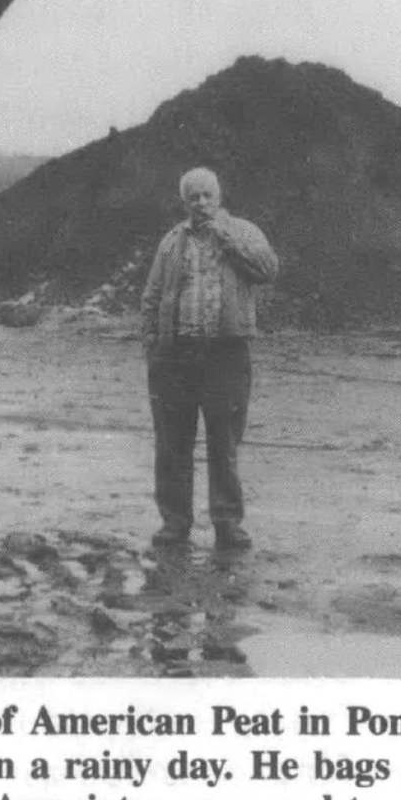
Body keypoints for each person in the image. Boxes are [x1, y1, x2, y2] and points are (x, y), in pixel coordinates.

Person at [139, 167, 278, 551]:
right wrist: (153, 345)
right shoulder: (171, 241)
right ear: (183, 202)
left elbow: (268, 270)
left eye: (207, 195)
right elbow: (151, 297)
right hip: (174, 357)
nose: (201, 203)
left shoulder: (244, 231)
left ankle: (227, 525)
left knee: (224, 444)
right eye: (193, 197)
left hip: (226, 355)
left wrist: (227, 239)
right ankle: (174, 524)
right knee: (172, 445)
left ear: (219, 196)